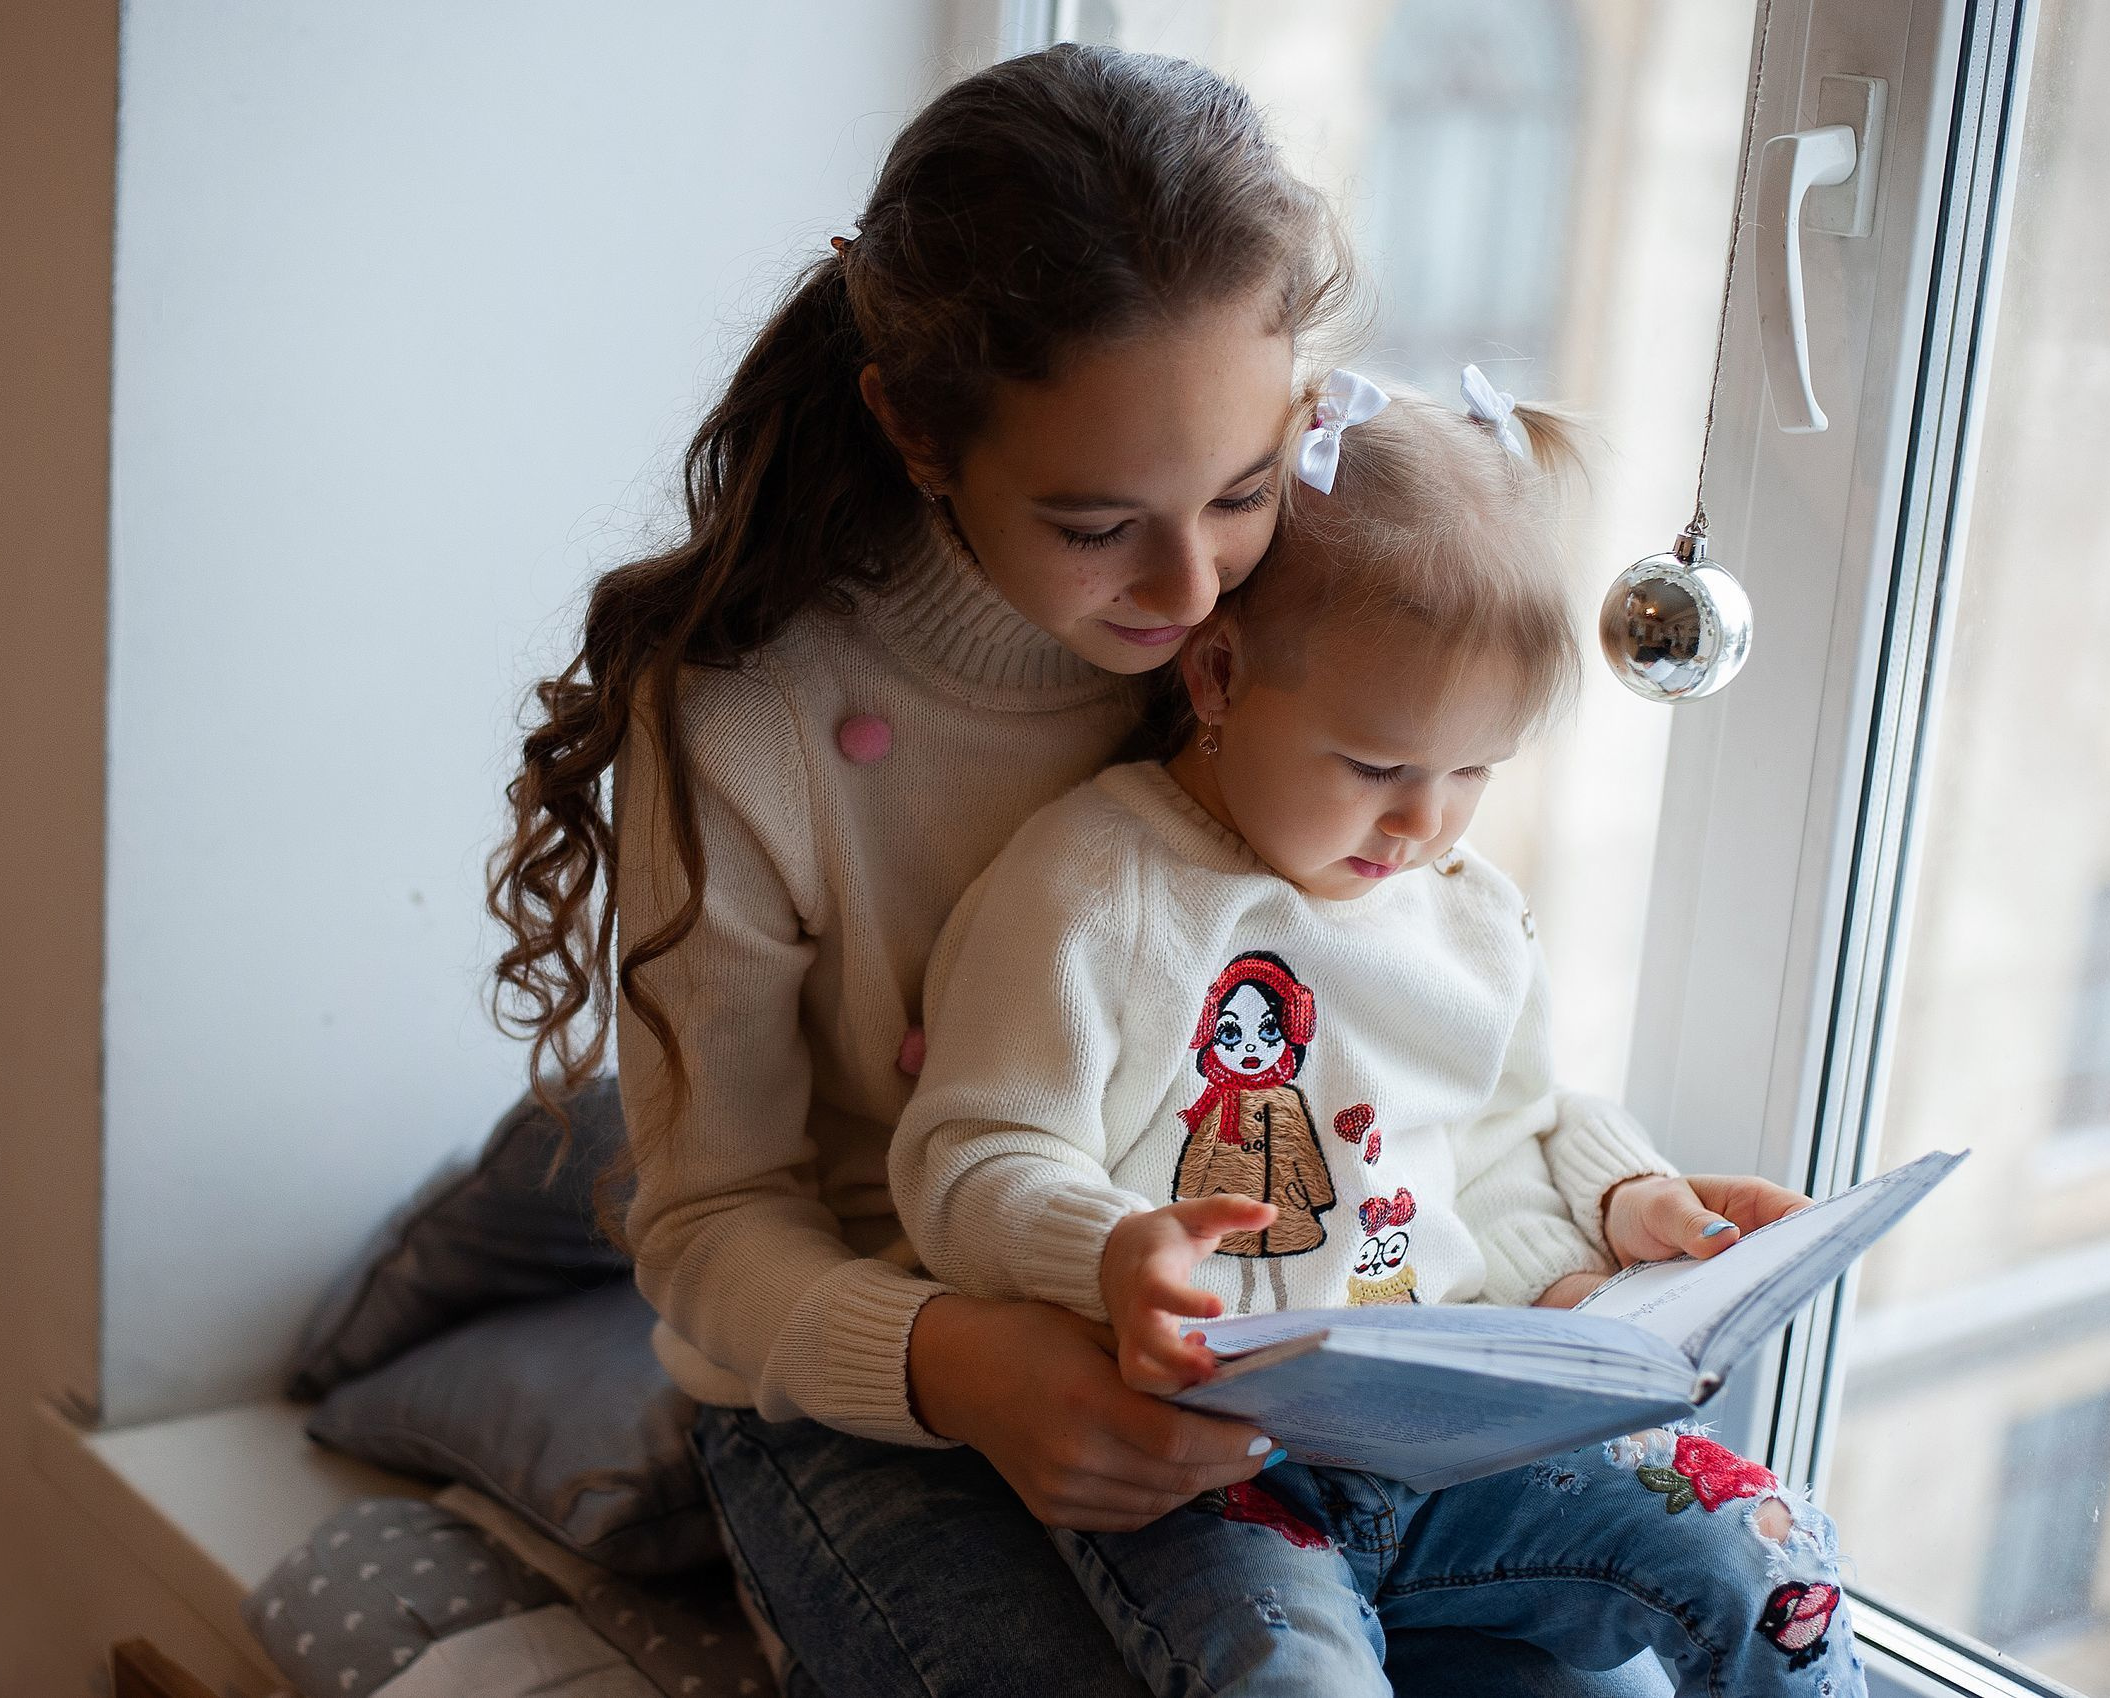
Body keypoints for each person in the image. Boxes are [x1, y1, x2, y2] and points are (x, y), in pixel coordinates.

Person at [493, 40, 1679, 1698]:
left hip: (1258, 1370)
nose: (1189, 585)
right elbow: (707, 1223)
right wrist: (959, 1360)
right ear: (913, 424)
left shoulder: (1303, 596)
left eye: (1240, 489)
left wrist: (1615, 1193)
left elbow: (1435, 1000)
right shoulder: (747, 720)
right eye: (1092, 520)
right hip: (879, 1391)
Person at [891, 370, 1857, 1696]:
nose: (1426, 825)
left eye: (1473, 771)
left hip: (1462, 1451)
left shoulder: (1460, 912)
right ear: (1220, 673)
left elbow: (1506, 1134)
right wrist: (1109, 1250)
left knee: (1776, 1556)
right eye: (1378, 766)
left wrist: (1621, 1213)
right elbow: (963, 1158)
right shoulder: (1093, 888)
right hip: (1207, 1467)